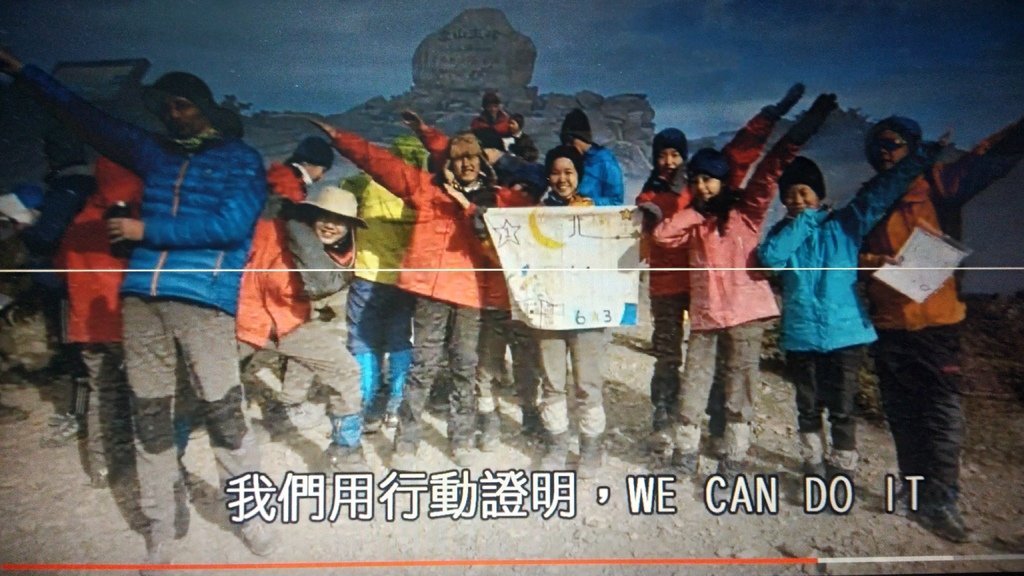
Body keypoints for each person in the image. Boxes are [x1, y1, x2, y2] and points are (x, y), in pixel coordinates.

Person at [0, 49, 277, 564]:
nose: (173, 115)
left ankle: (251, 515)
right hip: (142, 300)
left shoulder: (240, 160)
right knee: (149, 415)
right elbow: (90, 120)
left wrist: (146, 231)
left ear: (206, 109)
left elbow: (231, 227)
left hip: (203, 299)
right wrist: (26, 74)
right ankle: (160, 527)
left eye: (183, 106)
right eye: (166, 107)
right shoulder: (157, 155)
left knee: (224, 412)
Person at [311, 116, 533, 468]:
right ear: (449, 163)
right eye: (459, 157)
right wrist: (341, 138)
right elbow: (379, 163)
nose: (467, 163)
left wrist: (433, 137)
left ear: (482, 162)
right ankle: (407, 443)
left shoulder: (500, 200)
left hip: (472, 295)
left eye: (473, 157)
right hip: (432, 292)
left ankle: (460, 439)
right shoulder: (427, 191)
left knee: (464, 366)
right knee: (424, 366)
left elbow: (539, 204)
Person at [648, 94, 837, 489]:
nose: (702, 185)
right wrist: (697, 210)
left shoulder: (747, 211)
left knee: (739, 390)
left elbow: (771, 169)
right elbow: (663, 236)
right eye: (697, 179)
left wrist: (804, 124)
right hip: (705, 318)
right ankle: (685, 455)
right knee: (696, 386)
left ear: (723, 180)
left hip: (745, 317)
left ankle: (733, 458)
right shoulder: (696, 221)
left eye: (709, 178)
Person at [858, 114, 1024, 542]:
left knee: (942, 415)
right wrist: (874, 263)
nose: (884, 151)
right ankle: (917, 496)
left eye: (893, 143)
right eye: (877, 145)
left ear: (912, 147)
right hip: (889, 325)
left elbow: (991, 159)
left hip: (937, 324)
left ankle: (943, 501)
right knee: (903, 415)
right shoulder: (869, 199)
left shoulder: (938, 183)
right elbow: (850, 254)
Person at [758, 139, 943, 482]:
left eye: (805, 193)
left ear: (819, 194)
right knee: (808, 407)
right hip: (801, 335)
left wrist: (920, 157)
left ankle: (842, 471)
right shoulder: (783, 233)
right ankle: (812, 466)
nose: (798, 200)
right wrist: (805, 222)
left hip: (846, 335)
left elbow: (882, 192)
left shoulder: (845, 225)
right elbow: (770, 259)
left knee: (842, 409)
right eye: (791, 194)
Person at [239, 183, 369, 471]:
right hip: (246, 318)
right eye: (324, 217)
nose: (330, 225)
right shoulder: (273, 230)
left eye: (339, 220)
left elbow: (326, 287)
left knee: (346, 371)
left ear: (350, 226)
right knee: (204, 382)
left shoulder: (343, 253)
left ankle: (344, 452)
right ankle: (175, 452)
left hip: (291, 322)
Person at [53, 156, 144, 488]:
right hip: (122, 323)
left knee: (101, 390)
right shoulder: (130, 223)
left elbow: (61, 267)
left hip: (86, 327)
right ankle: (132, 460)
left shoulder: (79, 221)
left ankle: (100, 467)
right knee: (138, 391)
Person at [237, 136, 336, 431]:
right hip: (267, 277)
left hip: (249, 273)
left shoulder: (274, 177)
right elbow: (279, 240)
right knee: (285, 335)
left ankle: (242, 405)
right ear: (318, 168)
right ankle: (284, 405)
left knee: (244, 347)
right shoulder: (290, 189)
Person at [531, 144, 614, 479]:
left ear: (579, 175)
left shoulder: (595, 208)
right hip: (550, 308)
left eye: (569, 172)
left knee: (587, 382)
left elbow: (619, 233)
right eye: (555, 172)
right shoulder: (536, 213)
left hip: (586, 307)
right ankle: (557, 444)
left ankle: (591, 448)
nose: (561, 179)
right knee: (552, 381)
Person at [342, 135, 424, 432]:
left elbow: (342, 192)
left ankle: (366, 404)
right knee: (400, 340)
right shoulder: (420, 187)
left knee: (364, 342)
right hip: (403, 280)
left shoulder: (368, 182)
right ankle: (395, 406)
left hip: (367, 275)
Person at [559, 108, 624, 206]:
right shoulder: (571, 161)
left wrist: (591, 203)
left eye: (568, 144)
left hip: (598, 219)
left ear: (576, 140)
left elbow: (616, 201)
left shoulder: (605, 161)